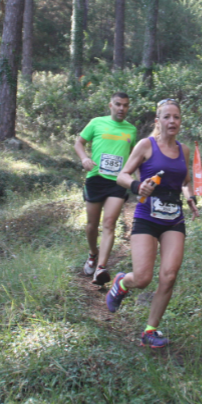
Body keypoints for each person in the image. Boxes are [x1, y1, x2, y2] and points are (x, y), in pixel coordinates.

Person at [108, 99, 199, 348]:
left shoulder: (184, 150)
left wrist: (190, 198)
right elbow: (122, 175)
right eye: (167, 117)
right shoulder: (146, 145)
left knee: (169, 276)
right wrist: (138, 186)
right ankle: (122, 283)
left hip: (173, 218)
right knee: (143, 278)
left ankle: (150, 330)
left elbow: (185, 180)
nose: (172, 121)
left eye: (176, 117)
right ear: (158, 121)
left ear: (180, 121)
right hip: (147, 215)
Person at [74, 92, 137, 285]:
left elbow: (136, 156)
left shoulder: (131, 130)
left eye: (125, 105)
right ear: (110, 105)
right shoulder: (96, 123)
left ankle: (101, 268)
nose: (121, 109)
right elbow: (79, 142)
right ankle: (93, 253)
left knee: (109, 223)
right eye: (118, 104)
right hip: (96, 178)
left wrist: (137, 181)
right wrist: (84, 158)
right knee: (92, 225)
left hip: (117, 183)